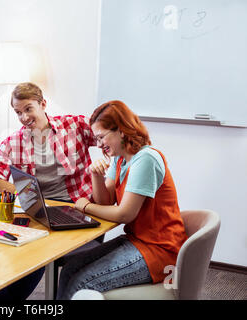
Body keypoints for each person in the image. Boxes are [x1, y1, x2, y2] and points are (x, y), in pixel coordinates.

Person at [56, 100, 188, 300]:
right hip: (137, 241)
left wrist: (86, 206)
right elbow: (107, 202)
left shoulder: (146, 159)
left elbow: (125, 214)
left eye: (101, 137)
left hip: (160, 251)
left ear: (122, 131)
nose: (98, 144)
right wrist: (96, 175)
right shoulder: (120, 158)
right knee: (68, 270)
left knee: (80, 282)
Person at [0, 82, 98, 300]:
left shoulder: (75, 126)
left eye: (28, 109)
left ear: (43, 104)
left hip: (80, 210)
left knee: (35, 256)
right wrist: (21, 191)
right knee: (22, 255)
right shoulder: (13, 142)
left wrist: (115, 166)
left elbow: (109, 135)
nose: (23, 117)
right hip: (39, 214)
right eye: (18, 112)